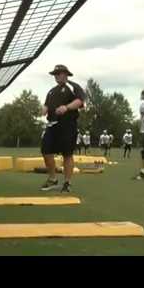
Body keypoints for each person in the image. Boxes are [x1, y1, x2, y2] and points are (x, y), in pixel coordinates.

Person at [40, 65, 86, 193]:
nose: (56, 76)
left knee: (67, 154)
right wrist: (44, 109)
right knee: (45, 150)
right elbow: (47, 104)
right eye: (55, 74)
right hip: (52, 124)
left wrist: (66, 107)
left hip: (68, 124)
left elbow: (80, 101)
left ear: (65, 74)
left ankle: (67, 182)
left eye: (58, 73)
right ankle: (53, 179)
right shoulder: (51, 91)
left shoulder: (73, 86)